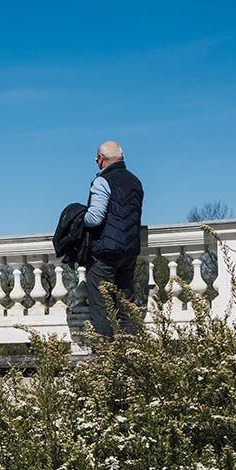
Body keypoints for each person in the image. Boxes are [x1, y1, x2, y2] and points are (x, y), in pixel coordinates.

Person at [83, 140, 144, 337]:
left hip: (106, 252)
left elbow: (94, 218)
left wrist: (77, 216)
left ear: (101, 159)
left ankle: (106, 356)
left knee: (101, 304)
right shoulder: (136, 181)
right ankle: (132, 352)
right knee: (126, 303)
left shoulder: (103, 181)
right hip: (130, 251)